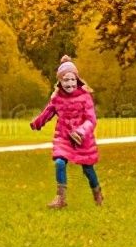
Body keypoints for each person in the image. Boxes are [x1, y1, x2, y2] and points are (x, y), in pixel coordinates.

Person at [30, 55, 102, 208]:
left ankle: (97, 194)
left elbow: (91, 120)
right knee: (59, 162)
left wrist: (81, 132)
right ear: (60, 82)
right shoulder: (57, 99)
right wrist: (37, 123)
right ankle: (60, 198)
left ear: (77, 80)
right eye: (66, 80)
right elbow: (48, 112)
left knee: (88, 169)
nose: (69, 83)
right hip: (63, 136)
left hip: (82, 138)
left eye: (72, 80)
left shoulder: (85, 97)